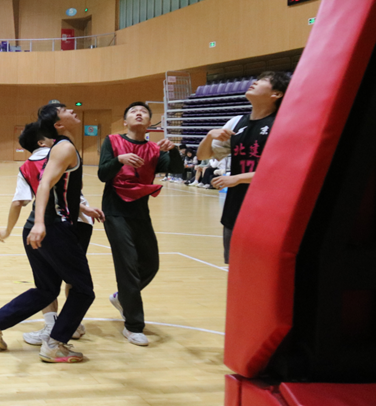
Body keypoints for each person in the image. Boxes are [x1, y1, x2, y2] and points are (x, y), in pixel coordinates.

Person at [0, 104, 100, 363]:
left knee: (46, 289)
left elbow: (56, 190)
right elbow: (44, 185)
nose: (72, 109)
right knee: (83, 290)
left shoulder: (58, 149)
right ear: (58, 125)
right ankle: (54, 344)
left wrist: (81, 208)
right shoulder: (64, 148)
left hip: (39, 227)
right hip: (53, 229)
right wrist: (41, 223)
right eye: (65, 109)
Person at [98, 102, 183, 346]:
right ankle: (133, 326)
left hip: (140, 211)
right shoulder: (112, 141)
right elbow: (103, 174)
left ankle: (122, 297)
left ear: (149, 123)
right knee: (128, 267)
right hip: (115, 211)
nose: (139, 113)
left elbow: (177, 170)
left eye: (144, 112)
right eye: (134, 112)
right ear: (125, 121)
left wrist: (174, 151)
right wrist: (119, 160)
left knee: (151, 264)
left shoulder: (155, 149)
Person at [197, 71, 289, 263]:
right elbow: (203, 156)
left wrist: (238, 178)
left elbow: (282, 171)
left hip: (267, 210)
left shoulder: (283, 123)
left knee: (261, 267)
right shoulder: (236, 122)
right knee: (235, 268)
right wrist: (209, 136)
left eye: (263, 81)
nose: (255, 82)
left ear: (276, 94)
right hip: (235, 206)